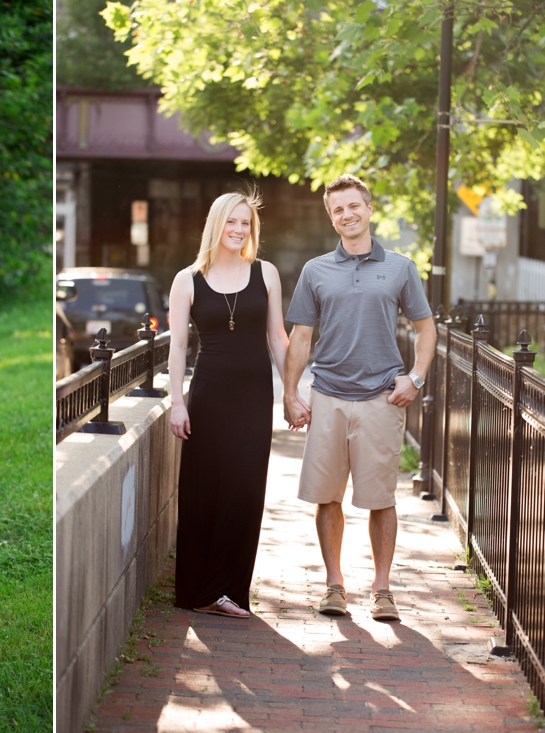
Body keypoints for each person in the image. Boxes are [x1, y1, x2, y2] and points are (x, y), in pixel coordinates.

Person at [282, 173, 436, 622]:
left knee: (380, 497)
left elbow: (426, 329)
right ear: (331, 218)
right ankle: (334, 585)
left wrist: (416, 378)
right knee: (326, 496)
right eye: (337, 210)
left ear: (369, 208)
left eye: (353, 206)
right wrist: (291, 394)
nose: (346, 215)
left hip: (381, 398)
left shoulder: (401, 267)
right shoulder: (316, 270)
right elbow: (301, 336)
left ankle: (382, 589)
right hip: (328, 394)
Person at [168, 191, 290, 618]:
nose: (239, 230)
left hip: (255, 395)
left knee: (245, 489)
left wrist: (292, 392)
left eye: (246, 224)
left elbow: (278, 338)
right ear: (216, 225)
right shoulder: (188, 279)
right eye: (232, 222)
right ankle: (198, 592)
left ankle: (230, 591)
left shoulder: (266, 273)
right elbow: (178, 347)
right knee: (205, 490)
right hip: (209, 394)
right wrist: (176, 403)